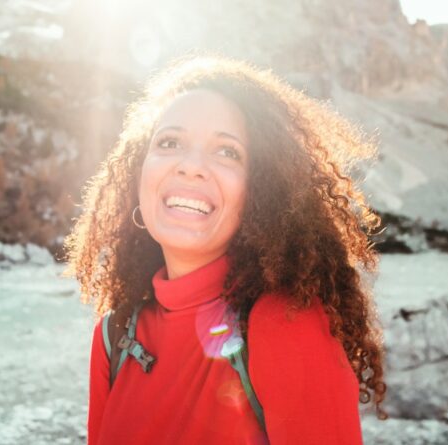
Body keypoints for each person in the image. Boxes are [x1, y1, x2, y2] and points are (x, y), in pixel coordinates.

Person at [64, 54, 386, 445]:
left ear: (262, 190)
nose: (191, 166)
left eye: (227, 151)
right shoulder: (114, 335)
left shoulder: (285, 323)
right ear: (138, 172)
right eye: (169, 142)